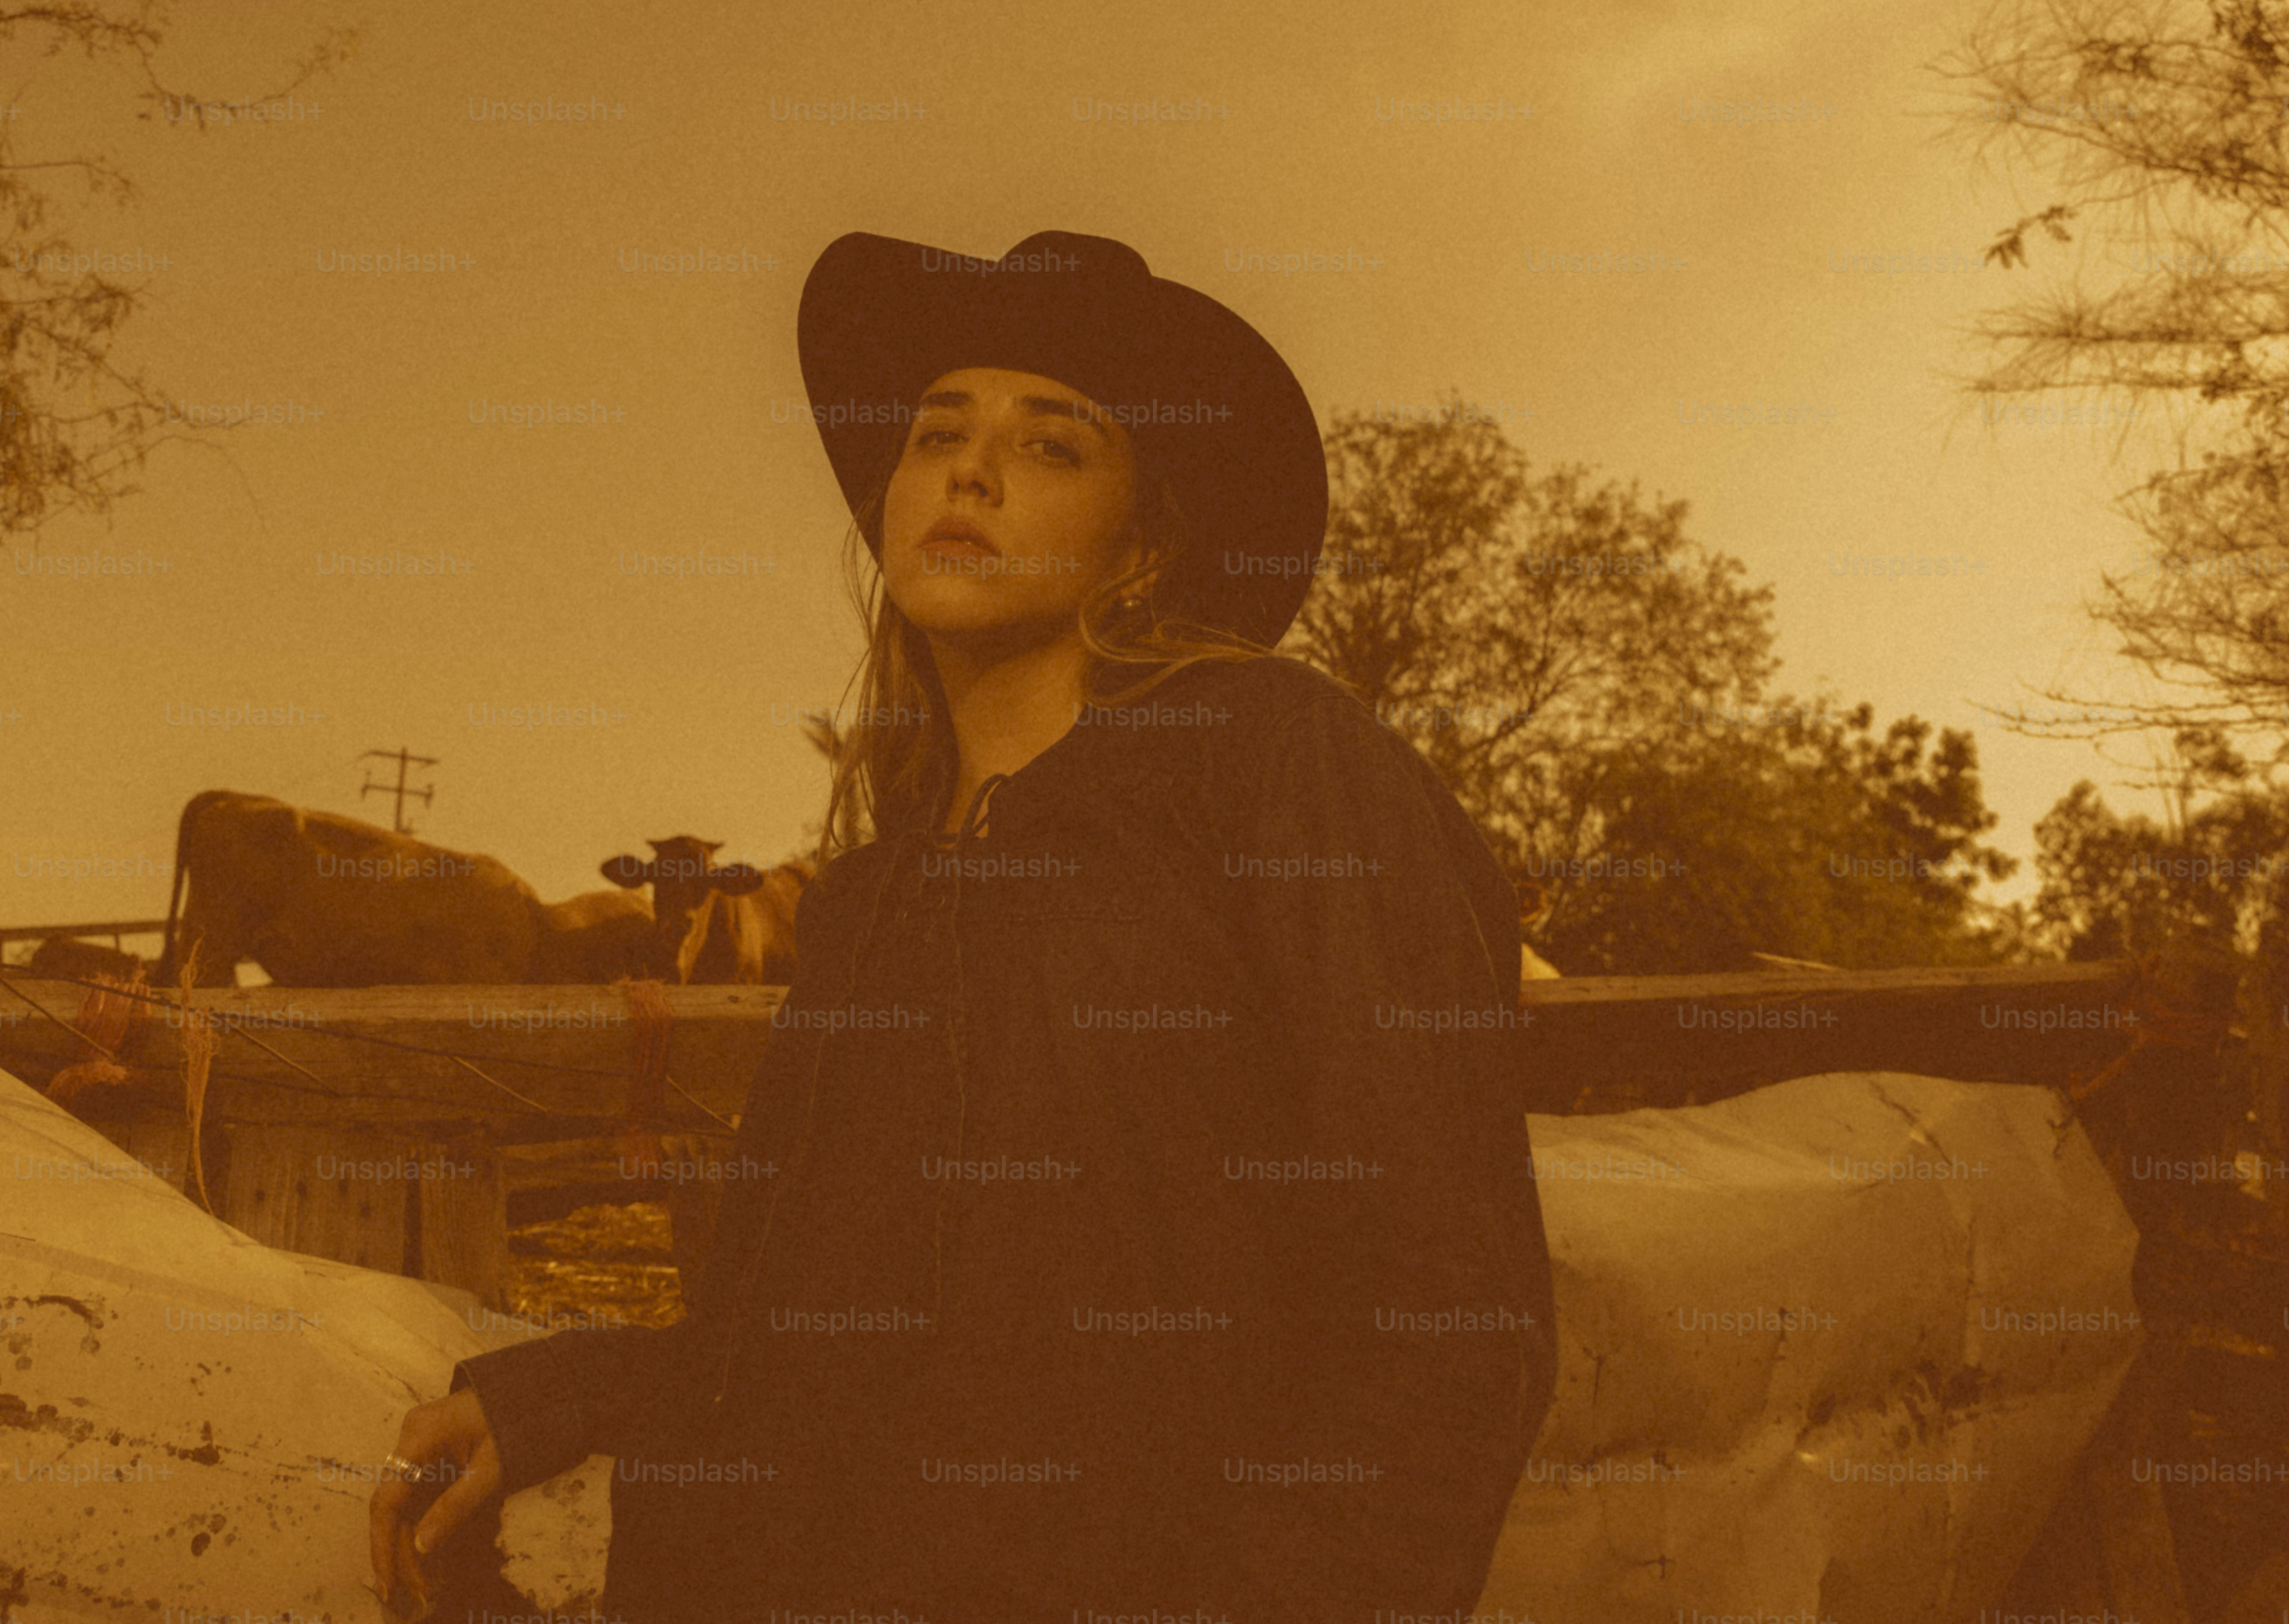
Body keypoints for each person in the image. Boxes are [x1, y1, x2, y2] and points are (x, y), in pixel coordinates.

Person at [372, 229, 1557, 1623]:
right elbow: (798, 1337)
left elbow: (1447, 1311)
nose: (968, 469)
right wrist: (566, 1393)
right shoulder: (874, 898)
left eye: (1052, 446)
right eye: (937, 431)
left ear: (1146, 539)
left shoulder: (1277, 763)